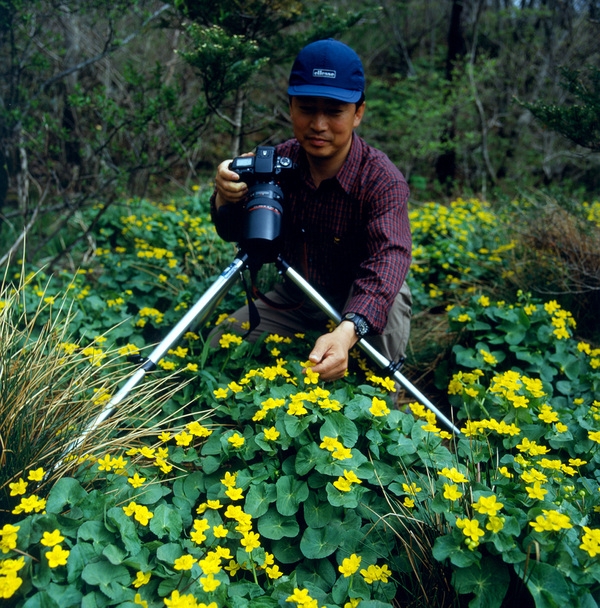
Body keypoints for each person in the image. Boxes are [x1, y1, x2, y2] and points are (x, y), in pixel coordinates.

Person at [210, 38, 412, 382]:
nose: (318, 124)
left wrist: (347, 332)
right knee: (219, 344)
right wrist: (224, 197)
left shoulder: (381, 179)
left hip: (361, 293)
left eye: (334, 111)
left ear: (358, 112)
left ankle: (383, 408)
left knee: (384, 325)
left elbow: (389, 259)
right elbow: (233, 232)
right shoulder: (274, 164)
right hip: (297, 292)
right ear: (291, 107)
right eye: (306, 108)